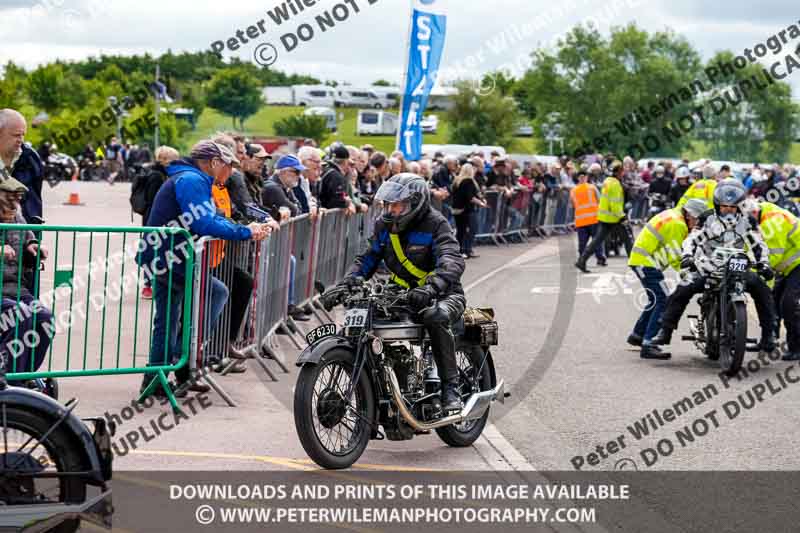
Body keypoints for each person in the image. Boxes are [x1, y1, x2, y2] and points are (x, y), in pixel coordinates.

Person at [138, 140, 270, 399]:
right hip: (169, 256)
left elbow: (213, 216)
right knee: (210, 296)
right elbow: (203, 222)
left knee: (169, 319)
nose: (231, 171)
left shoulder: (192, 178)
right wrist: (244, 231)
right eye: (228, 165)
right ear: (213, 162)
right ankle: (179, 359)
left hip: (167, 255)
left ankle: (162, 375)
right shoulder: (192, 180)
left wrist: (245, 227)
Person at [342, 174, 466, 413]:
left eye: (397, 205)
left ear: (415, 202)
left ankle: (451, 388)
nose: (391, 210)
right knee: (364, 312)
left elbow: (452, 260)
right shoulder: (384, 226)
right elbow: (367, 257)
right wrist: (350, 280)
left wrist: (432, 286)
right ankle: (381, 384)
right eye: (388, 205)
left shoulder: (435, 224)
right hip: (400, 294)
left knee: (435, 316)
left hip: (443, 294)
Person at [650, 179, 777, 352]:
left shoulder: (749, 221)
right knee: (683, 288)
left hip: (737, 266)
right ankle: (665, 330)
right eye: (724, 207)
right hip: (708, 266)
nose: (728, 210)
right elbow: (692, 239)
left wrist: (764, 263)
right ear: (718, 205)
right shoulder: (706, 218)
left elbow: (758, 244)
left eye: (732, 207)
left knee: (763, 290)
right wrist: (688, 256)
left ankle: (769, 335)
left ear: (740, 206)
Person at [628, 199, 707, 360]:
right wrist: (691, 274)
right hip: (646, 263)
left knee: (655, 299)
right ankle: (648, 344)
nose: (696, 224)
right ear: (690, 214)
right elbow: (676, 255)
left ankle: (638, 335)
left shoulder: (674, 215)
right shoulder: (678, 225)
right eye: (697, 219)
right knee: (663, 300)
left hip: (641, 260)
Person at [0, 177, 54, 379]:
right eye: (9, 201)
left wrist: (32, 244)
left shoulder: (16, 216)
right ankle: (7, 378)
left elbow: (27, 234)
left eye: (17, 201)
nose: (14, 206)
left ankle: (23, 375)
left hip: (16, 290)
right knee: (19, 316)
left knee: (44, 319)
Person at [742, 200, 800, 360]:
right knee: (771, 301)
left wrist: (751, 272)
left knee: (788, 304)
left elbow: (772, 257)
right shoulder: (761, 211)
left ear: (753, 214)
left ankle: (796, 347)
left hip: (797, 264)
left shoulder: (772, 222)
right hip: (787, 266)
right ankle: (768, 341)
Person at [575, 161, 632, 273]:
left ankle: (581, 261)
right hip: (614, 218)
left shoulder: (607, 181)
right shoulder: (615, 184)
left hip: (604, 217)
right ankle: (636, 264)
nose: (623, 173)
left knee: (596, 241)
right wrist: (622, 217)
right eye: (622, 171)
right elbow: (615, 204)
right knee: (628, 240)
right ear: (618, 172)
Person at [0, 109, 44, 225]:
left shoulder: (30, 158)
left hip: (25, 236)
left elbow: (34, 201)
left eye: (23, 135)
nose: (21, 140)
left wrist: (33, 238)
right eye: (16, 135)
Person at [570, 169, 605, 266]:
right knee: (596, 240)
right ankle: (600, 258)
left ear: (578, 178)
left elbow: (573, 205)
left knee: (582, 243)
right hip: (593, 219)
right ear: (586, 177)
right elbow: (599, 201)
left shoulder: (573, 190)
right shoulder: (592, 187)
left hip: (581, 220)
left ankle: (582, 260)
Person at [451, 163, 486, 259]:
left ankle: (462, 250)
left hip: (457, 209)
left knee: (461, 231)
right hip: (466, 210)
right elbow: (470, 197)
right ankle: (464, 250)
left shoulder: (457, 180)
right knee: (470, 230)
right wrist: (481, 203)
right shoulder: (468, 181)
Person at [319, 142, 352, 211]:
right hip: (327, 215)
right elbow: (337, 201)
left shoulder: (327, 170)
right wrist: (347, 202)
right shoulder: (336, 176)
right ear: (345, 161)